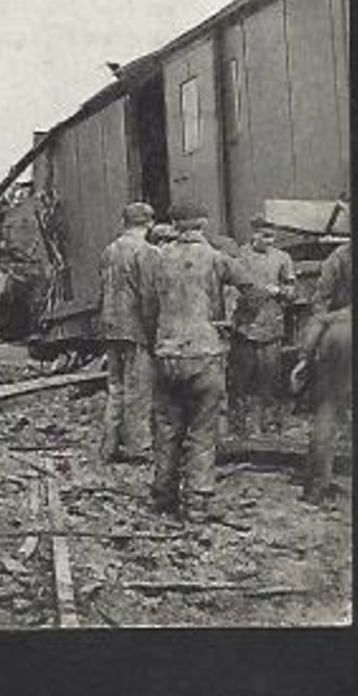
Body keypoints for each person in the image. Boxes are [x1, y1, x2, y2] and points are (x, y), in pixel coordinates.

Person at [140, 200, 256, 522]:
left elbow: (149, 308)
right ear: (203, 223)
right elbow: (252, 289)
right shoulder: (216, 258)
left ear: (174, 225)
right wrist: (234, 321)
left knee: (166, 427)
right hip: (204, 352)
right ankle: (197, 505)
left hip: (167, 353)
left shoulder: (158, 259)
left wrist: (158, 343)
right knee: (203, 431)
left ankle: (163, 496)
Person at [294, 228, 352, 505]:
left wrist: (305, 357)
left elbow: (319, 308)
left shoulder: (340, 256)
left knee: (328, 408)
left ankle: (316, 489)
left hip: (340, 331)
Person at [98, 201, 158, 463]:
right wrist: (153, 331)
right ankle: (139, 447)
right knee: (139, 391)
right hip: (136, 330)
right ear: (150, 223)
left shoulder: (109, 250)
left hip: (111, 326)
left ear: (124, 223)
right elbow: (149, 297)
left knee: (116, 387)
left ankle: (109, 446)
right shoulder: (147, 251)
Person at [227, 216, 298, 437]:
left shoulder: (282, 258)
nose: (268, 241)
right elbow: (232, 288)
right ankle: (240, 427)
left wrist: (284, 293)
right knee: (240, 381)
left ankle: (270, 425)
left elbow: (291, 290)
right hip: (245, 329)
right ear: (253, 234)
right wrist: (262, 291)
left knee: (270, 381)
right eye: (264, 235)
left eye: (272, 237)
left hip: (271, 327)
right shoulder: (240, 256)